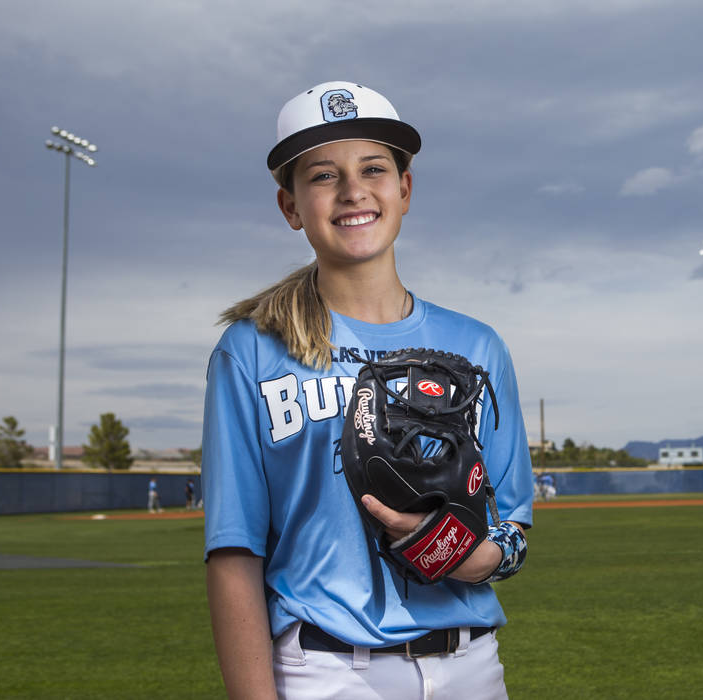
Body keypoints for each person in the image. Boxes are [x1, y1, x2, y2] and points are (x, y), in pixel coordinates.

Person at [202, 81, 533, 700]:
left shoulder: (478, 346)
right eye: (323, 175)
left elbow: (510, 531)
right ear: (290, 206)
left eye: (373, 169)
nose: (353, 191)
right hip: (326, 671)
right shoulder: (251, 350)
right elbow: (233, 551)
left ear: (403, 190)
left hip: (471, 666)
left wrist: (435, 545)